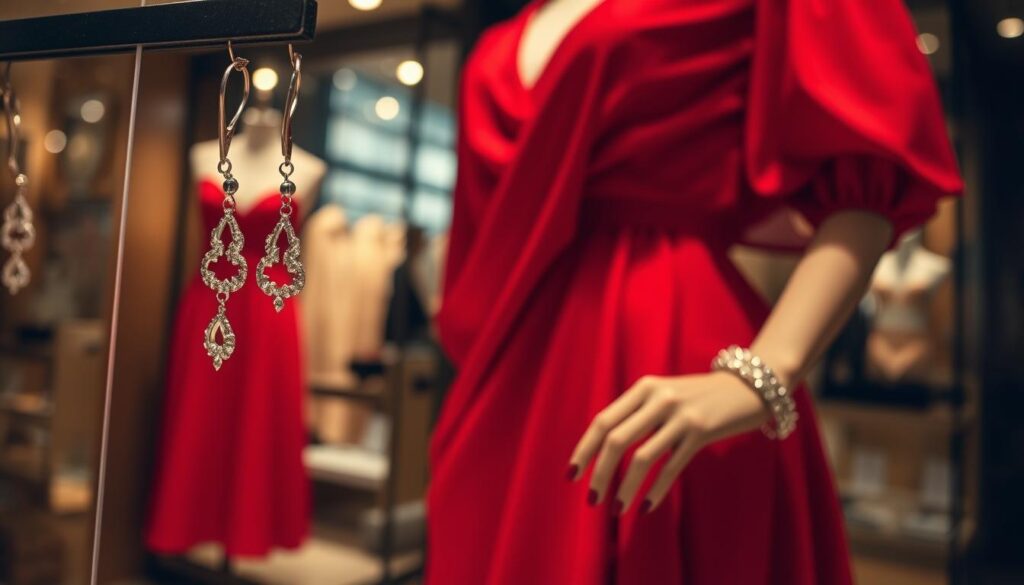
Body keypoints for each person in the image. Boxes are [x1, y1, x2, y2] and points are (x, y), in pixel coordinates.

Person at [427, 0, 963, 583]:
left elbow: (866, 185)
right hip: (510, 379)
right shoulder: (499, 43)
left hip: (669, 345)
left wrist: (764, 374)